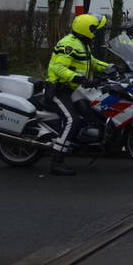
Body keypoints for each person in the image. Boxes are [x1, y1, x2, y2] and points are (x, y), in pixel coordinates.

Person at [46, 13, 111, 176]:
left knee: (90, 113)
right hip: (59, 89)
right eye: (94, 29)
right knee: (72, 120)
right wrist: (79, 78)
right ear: (86, 29)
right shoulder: (68, 45)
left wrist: (109, 67)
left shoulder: (82, 44)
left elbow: (91, 62)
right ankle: (57, 161)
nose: (96, 32)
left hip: (72, 89)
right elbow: (58, 69)